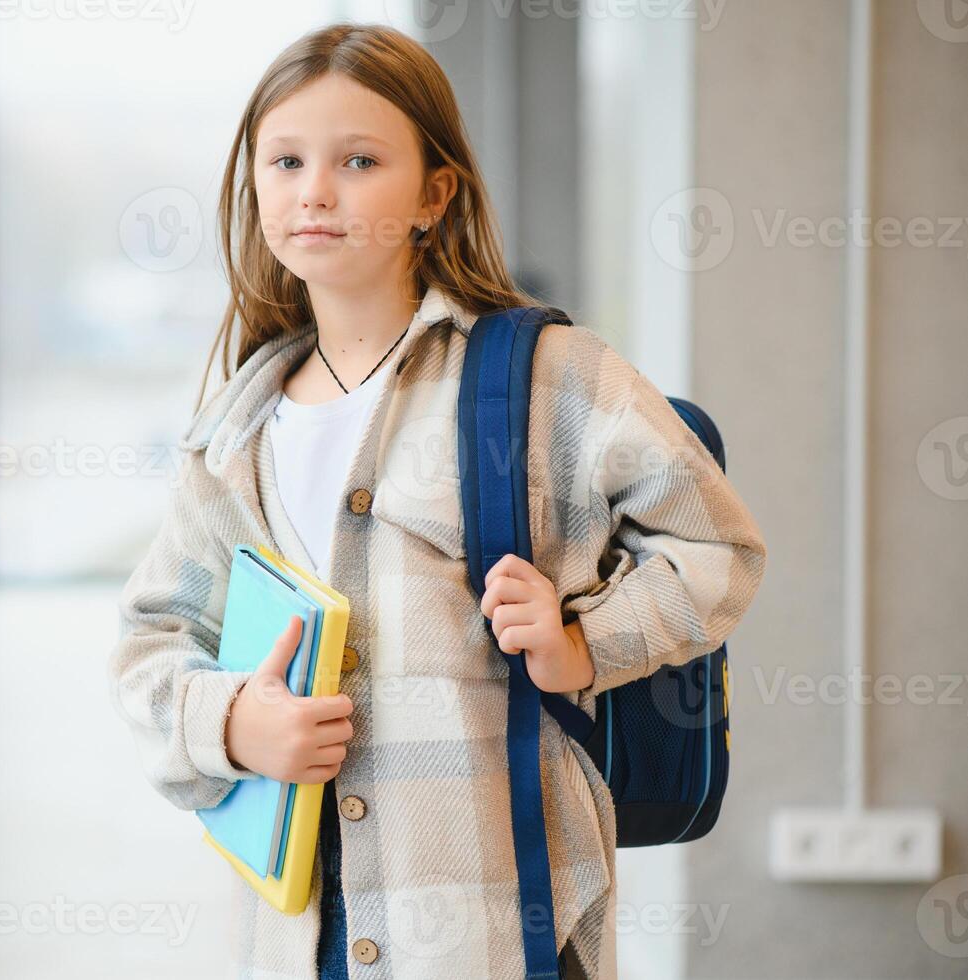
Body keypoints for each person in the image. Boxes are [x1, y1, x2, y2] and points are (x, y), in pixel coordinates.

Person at [106, 22, 767, 980]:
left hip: (498, 933)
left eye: (359, 160)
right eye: (285, 160)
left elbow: (720, 551)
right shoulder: (233, 434)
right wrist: (231, 725)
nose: (315, 191)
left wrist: (584, 640)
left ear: (433, 194)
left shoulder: (549, 382)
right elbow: (152, 641)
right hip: (301, 939)